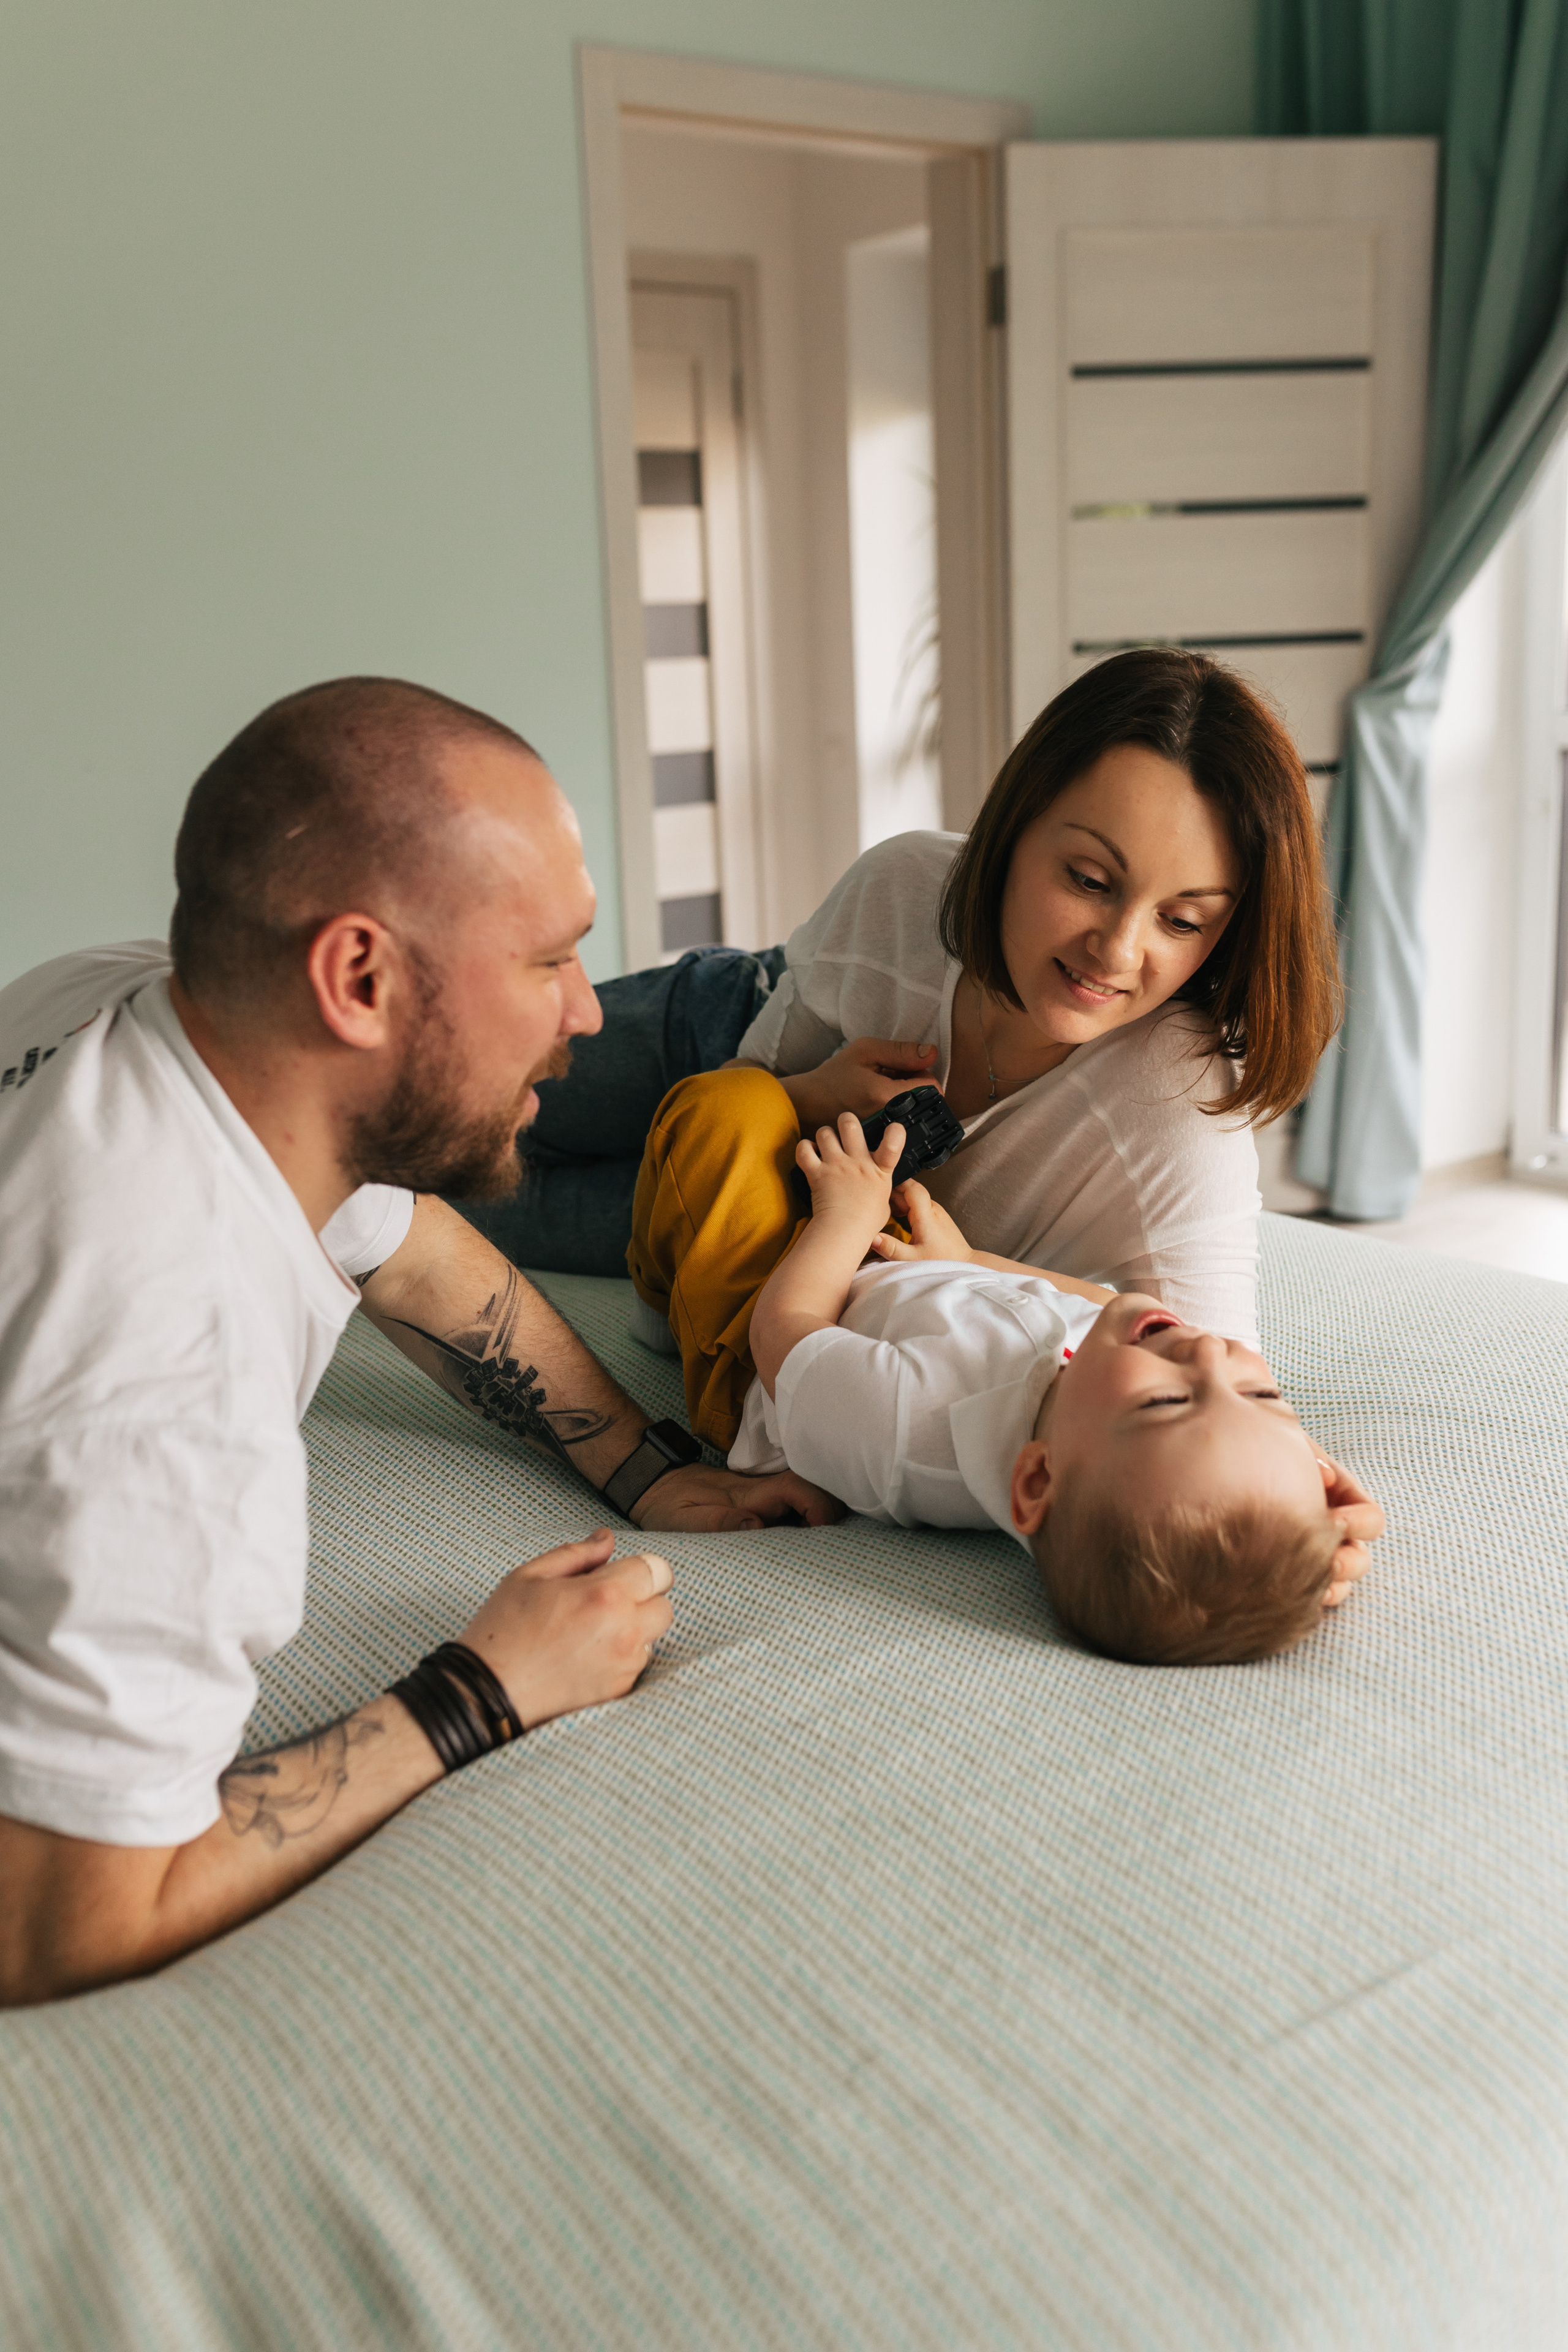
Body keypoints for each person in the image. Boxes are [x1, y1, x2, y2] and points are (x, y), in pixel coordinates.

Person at [0, 678, 834, 2008]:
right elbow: (62, 1923)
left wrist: (643, 1469)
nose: (582, 1014)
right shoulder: (166, 1402)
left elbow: (410, 1250)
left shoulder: (115, 1013)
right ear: (359, 978)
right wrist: (485, 1688)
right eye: (547, 959)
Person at [458, 649, 1341, 1346]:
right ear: (1013, 823)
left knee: (419, 1201)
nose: (1116, 949)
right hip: (725, 1037)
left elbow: (1211, 1358)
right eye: (1087, 878)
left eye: (1183, 921)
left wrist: (975, 1270)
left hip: (763, 1198)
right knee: (423, 1102)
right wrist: (805, 1097)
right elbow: (737, 1088)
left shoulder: (1177, 1100)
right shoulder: (907, 884)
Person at [628, 1068, 1384, 1665]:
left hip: (765, 1334)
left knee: (724, 1110)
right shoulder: (1099, 1383)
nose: (1206, 1352)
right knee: (851, 1152)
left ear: (1036, 1479)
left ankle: (663, 1297)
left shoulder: (910, 1429)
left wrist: (842, 1221)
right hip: (891, 1279)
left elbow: (787, 1333)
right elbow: (1090, 1301)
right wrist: (963, 1262)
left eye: (1167, 1403)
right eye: (1260, 1390)